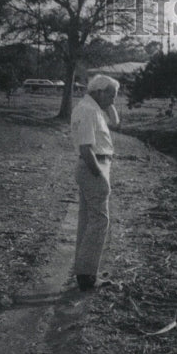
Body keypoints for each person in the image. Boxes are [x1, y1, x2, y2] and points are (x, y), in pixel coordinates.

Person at [70, 74, 121, 291]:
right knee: (99, 222)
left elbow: (116, 123)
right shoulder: (89, 110)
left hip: (94, 165)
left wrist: (109, 103)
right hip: (93, 166)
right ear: (99, 92)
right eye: (111, 95)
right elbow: (86, 149)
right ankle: (87, 276)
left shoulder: (92, 107)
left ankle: (84, 271)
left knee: (88, 220)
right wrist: (100, 178)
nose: (114, 100)